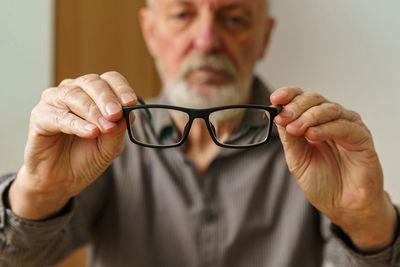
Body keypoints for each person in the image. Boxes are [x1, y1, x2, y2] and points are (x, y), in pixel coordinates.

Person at [0, 0, 399, 266]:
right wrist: (35, 195)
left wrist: (368, 223)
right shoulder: (99, 142)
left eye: (235, 18)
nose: (207, 41)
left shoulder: (320, 151)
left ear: (264, 37)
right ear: (150, 32)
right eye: (183, 15)